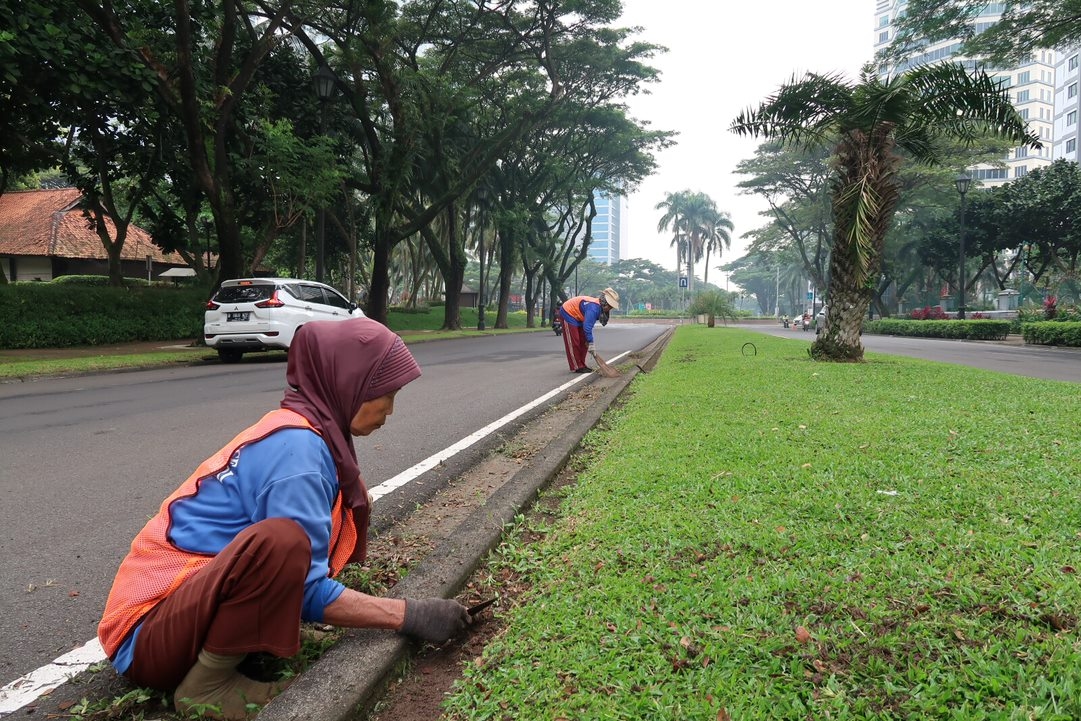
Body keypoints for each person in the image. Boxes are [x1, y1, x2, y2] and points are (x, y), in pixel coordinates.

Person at [97, 318, 471, 720]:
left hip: (180, 614)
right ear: (349, 383)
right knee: (282, 541)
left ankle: (249, 641)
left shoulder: (302, 429)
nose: (389, 410)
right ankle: (209, 685)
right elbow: (304, 582)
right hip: (147, 637)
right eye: (386, 393)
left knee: (296, 534)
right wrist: (410, 615)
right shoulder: (300, 454)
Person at [558, 287, 619, 373]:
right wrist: (591, 343)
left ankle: (582, 365)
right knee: (574, 342)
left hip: (579, 316)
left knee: (584, 342)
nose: (610, 309)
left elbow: (588, 326)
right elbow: (587, 327)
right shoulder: (594, 308)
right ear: (605, 303)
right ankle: (577, 366)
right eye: (610, 306)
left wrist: (588, 342)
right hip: (568, 313)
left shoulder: (600, 308)